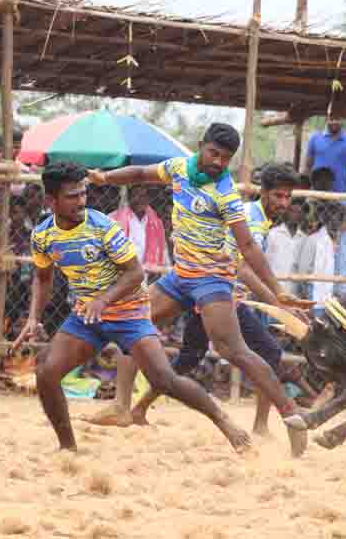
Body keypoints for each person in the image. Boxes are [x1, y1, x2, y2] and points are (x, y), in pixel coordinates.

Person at [85, 123, 309, 456]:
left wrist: (276, 292)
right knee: (134, 326)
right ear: (200, 146)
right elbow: (142, 173)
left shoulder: (226, 193)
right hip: (180, 276)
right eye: (214, 153)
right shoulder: (178, 168)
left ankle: (291, 417)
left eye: (225, 158)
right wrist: (106, 178)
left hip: (211, 280)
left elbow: (247, 246)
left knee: (236, 352)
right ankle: (121, 407)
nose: (218, 162)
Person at [11, 161, 251, 453]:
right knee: (46, 373)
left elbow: (135, 273)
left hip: (129, 313)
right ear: (51, 201)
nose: (81, 201)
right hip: (88, 315)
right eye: (72, 196)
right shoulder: (43, 235)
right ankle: (68, 448)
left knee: (164, 380)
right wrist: (33, 316)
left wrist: (104, 300)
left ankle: (223, 420)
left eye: (83, 193)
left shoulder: (102, 226)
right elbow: (42, 278)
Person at [128, 163, 302, 437]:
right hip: (217, 294)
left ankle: (139, 408)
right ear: (264, 193)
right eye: (278, 196)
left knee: (189, 358)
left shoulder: (256, 216)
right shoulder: (252, 219)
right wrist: (277, 300)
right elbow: (244, 267)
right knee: (268, 352)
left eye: (287, 197)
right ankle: (261, 426)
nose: (284, 202)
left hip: (212, 290)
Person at [304, 117, 346, 193]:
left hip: (340, 195)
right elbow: (308, 166)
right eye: (331, 119)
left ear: (342, 119)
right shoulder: (315, 138)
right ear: (327, 119)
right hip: (316, 194)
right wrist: (305, 190)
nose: (334, 122)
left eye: (337, 119)